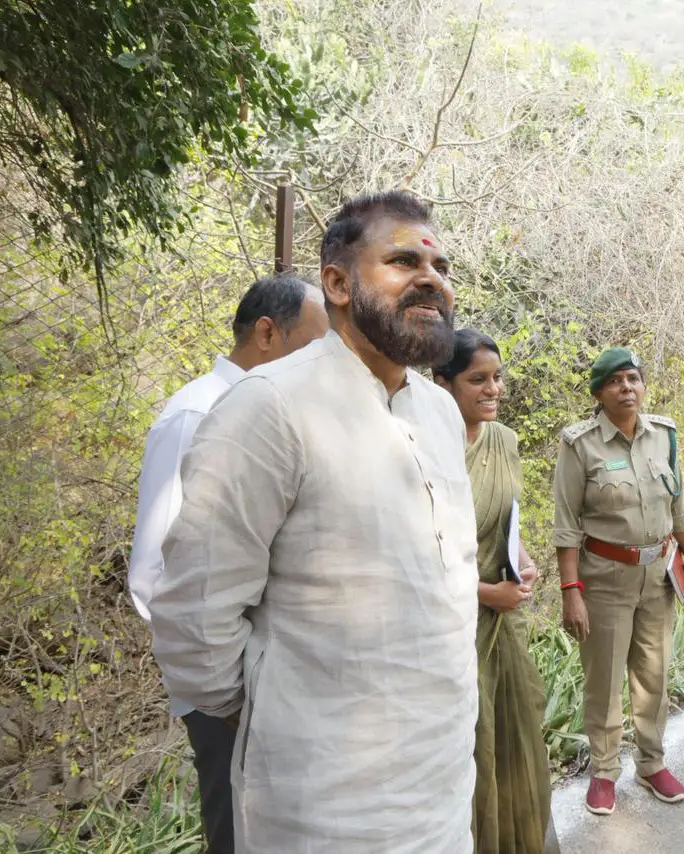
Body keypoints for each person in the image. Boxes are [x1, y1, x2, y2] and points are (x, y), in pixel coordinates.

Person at [148, 191, 479, 853]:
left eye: (441, 265)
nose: (431, 278)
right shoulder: (268, 407)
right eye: (403, 259)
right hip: (320, 809)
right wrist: (282, 711)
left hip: (441, 789)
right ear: (336, 282)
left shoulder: (441, 414)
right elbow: (194, 614)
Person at [128, 274, 327, 853]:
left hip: (275, 680)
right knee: (239, 830)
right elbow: (154, 573)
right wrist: (222, 692)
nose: (322, 365)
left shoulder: (280, 413)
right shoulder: (196, 413)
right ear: (268, 333)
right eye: (313, 347)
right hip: (228, 693)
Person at [552, 348, 684, 817]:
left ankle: (652, 762)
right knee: (605, 677)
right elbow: (566, 524)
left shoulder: (665, 436)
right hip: (604, 579)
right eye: (616, 381)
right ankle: (603, 771)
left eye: (634, 379)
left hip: (657, 575)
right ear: (599, 393)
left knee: (653, 676)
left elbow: (679, 505)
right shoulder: (580, 445)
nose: (627, 388)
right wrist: (570, 591)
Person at [433, 329, 555, 854]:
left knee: (517, 730)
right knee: (471, 744)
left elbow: (508, 519)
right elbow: (420, 552)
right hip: (452, 618)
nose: (492, 389)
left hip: (506, 617)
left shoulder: (503, 439)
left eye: (497, 378)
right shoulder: (426, 447)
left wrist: (522, 561)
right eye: (476, 379)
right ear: (443, 383)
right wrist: (484, 592)